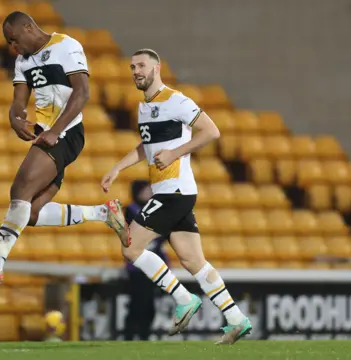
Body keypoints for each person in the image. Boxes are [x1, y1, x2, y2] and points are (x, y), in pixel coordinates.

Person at [0, 12, 129, 287]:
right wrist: (15, 119)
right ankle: (103, 213)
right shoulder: (22, 62)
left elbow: (82, 93)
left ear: (28, 27)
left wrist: (55, 131)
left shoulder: (66, 45)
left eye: (14, 39)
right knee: (31, 213)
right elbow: (18, 101)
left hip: (66, 132)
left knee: (19, 190)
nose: (14, 46)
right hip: (48, 133)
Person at [100, 49, 252, 345]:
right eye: (132, 67)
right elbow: (147, 146)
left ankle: (184, 299)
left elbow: (211, 131)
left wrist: (175, 153)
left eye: (141, 65)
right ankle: (236, 319)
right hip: (174, 193)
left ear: (156, 69)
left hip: (175, 191)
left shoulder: (176, 100)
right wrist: (117, 168)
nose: (135, 71)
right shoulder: (144, 107)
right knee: (192, 260)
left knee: (130, 248)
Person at [123, 180, 169, 341]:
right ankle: (130, 334)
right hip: (137, 266)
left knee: (149, 303)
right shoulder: (130, 210)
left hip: (153, 265)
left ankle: (144, 334)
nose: (149, 193)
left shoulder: (155, 210)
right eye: (145, 190)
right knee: (137, 302)